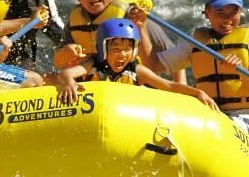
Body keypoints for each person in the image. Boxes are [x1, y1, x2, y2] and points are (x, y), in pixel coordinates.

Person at [138, 0, 249, 136]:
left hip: (243, 118)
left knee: (214, 128)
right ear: (207, 12)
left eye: (233, 13)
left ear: (241, 12)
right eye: (220, 12)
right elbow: (152, 65)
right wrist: (141, 27)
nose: (227, 19)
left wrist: (239, 73)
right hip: (205, 112)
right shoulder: (195, 42)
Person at [53, 0, 186, 83]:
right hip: (94, 84)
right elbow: (59, 62)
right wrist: (66, 52)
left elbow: (176, 60)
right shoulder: (74, 21)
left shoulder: (132, 17)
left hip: (134, 83)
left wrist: (141, 28)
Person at [58, 18, 217, 109]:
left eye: (128, 49)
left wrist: (197, 93)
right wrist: (68, 82)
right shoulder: (93, 63)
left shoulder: (135, 69)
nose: (122, 55)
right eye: (116, 49)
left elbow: (168, 85)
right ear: (103, 48)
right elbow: (66, 73)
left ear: (134, 51)